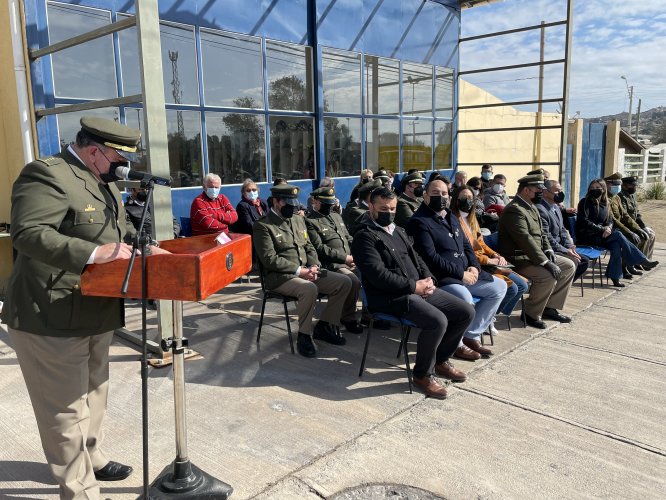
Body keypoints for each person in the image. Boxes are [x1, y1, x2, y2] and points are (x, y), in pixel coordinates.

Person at [1, 117, 169, 498]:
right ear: (95, 151)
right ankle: (79, 489)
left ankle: (90, 456)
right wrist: (95, 252)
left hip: (95, 309)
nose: (122, 167)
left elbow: (118, 230)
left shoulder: (100, 180)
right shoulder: (48, 174)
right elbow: (28, 233)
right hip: (51, 313)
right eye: (118, 159)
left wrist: (146, 247)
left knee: (95, 391)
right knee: (64, 409)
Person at [351, 187, 475, 399]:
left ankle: (440, 360)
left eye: (392, 209)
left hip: (417, 289)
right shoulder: (364, 237)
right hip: (389, 297)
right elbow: (378, 276)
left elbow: (417, 258)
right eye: (383, 208)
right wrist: (414, 287)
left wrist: (429, 281)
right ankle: (422, 375)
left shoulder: (397, 230)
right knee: (437, 321)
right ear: (370, 206)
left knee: (465, 312)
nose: (388, 213)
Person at [406, 178, 506, 360]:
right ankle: (456, 344)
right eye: (435, 193)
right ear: (425, 195)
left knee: (500, 287)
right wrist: (461, 274)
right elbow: (430, 258)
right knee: (466, 301)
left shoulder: (450, 215)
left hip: (466, 274)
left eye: (444, 193)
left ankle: (470, 335)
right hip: (444, 279)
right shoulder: (419, 221)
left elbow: (467, 246)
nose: (441, 197)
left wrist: (474, 267)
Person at [253, 184, 353, 357]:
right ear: (276, 202)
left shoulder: (297, 219)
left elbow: (309, 246)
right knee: (309, 289)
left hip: (307, 271)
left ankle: (324, 326)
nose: (292, 206)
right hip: (280, 277)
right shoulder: (263, 225)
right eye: (287, 203)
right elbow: (269, 259)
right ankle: (304, 336)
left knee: (344, 282)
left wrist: (314, 266)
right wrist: (300, 271)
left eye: (294, 202)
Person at [498, 173, 576, 329]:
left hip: (534, 256)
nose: (541, 194)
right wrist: (546, 262)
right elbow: (525, 240)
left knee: (568, 266)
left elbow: (542, 234)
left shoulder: (531, 206)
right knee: (548, 275)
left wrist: (548, 250)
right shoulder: (515, 210)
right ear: (527, 191)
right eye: (538, 191)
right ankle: (530, 313)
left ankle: (548, 308)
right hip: (518, 259)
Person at [451, 187, 529, 324]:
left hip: (487, 262)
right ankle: (485, 318)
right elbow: (466, 251)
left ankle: (489, 316)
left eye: (470, 198)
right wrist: (489, 260)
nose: (467, 201)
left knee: (522, 285)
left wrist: (495, 255)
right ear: (455, 199)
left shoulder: (472, 218)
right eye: (463, 197)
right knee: (513, 288)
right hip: (475, 265)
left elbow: (481, 243)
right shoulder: (453, 220)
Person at [575, 178, 657, 287]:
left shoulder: (606, 203)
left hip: (602, 236)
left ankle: (615, 276)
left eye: (598, 188)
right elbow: (583, 221)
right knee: (618, 235)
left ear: (603, 189)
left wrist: (608, 227)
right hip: (587, 236)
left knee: (616, 246)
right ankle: (641, 260)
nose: (595, 190)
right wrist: (603, 229)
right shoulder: (584, 202)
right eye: (592, 188)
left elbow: (610, 220)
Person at [305, 187, 363, 333]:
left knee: (370, 273)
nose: (329, 206)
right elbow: (319, 248)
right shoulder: (310, 220)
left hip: (349, 259)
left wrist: (359, 251)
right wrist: (345, 258)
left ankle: (367, 315)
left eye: (331, 202)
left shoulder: (336, 216)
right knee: (353, 281)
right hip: (332, 264)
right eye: (325, 203)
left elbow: (347, 237)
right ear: (316, 202)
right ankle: (348, 317)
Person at [537, 180, 589, 281]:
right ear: (545, 192)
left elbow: (563, 230)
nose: (560, 193)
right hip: (550, 249)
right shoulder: (541, 209)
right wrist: (566, 251)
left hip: (561, 247)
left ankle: (562, 285)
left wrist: (569, 247)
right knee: (574, 261)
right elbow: (547, 237)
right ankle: (559, 287)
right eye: (556, 191)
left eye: (560, 190)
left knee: (584, 261)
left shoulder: (556, 207)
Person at [604, 173, 653, 278]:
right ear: (607, 185)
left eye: (618, 184)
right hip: (611, 229)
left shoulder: (616, 198)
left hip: (620, 228)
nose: (617, 187)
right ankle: (626, 266)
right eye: (615, 185)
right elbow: (614, 220)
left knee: (642, 235)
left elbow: (626, 216)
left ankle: (633, 264)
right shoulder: (606, 199)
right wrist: (630, 232)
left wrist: (639, 228)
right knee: (632, 239)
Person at [618, 175, 656, 263]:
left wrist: (643, 226)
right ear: (624, 186)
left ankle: (646, 260)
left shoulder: (632, 196)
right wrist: (639, 229)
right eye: (632, 185)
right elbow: (625, 217)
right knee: (644, 237)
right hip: (627, 226)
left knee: (652, 234)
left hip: (635, 224)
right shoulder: (621, 197)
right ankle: (639, 261)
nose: (634, 187)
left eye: (635, 185)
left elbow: (637, 213)